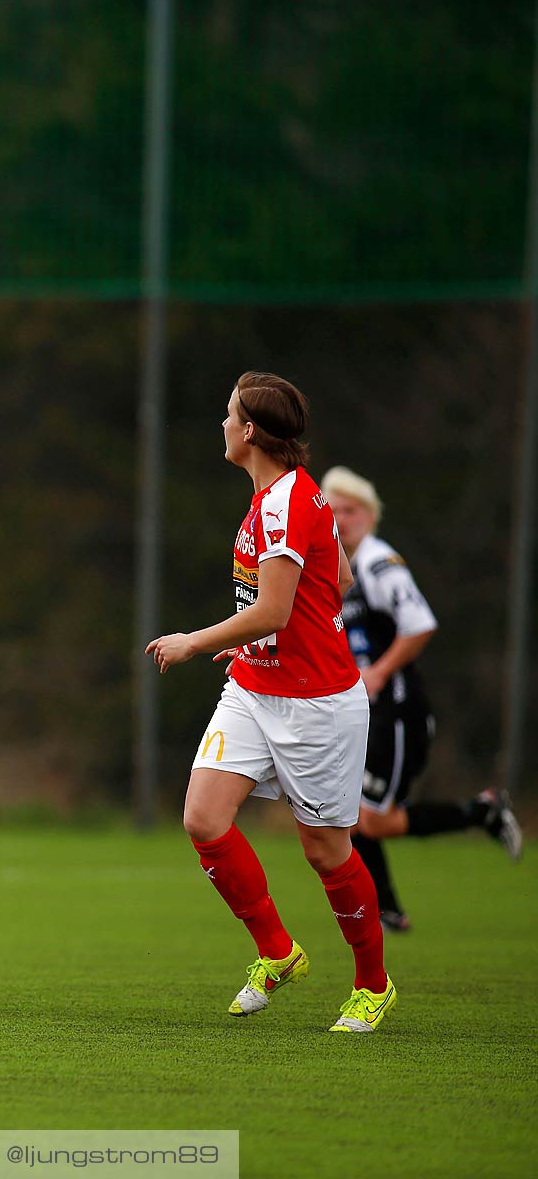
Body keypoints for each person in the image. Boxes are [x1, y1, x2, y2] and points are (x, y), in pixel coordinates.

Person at [146, 371, 396, 1033]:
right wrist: (265, 645)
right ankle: (278, 952)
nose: (222, 425)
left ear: (251, 430)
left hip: (318, 707)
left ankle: (373, 985)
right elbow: (333, 579)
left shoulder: (286, 504)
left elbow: (276, 607)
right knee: (204, 818)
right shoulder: (280, 497)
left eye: (229, 415)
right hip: (258, 690)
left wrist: (195, 641)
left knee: (326, 852)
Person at [321, 465, 522, 932]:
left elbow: (420, 624)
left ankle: (481, 812)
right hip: (371, 712)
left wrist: (378, 673)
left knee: (371, 821)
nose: (342, 519)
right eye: (333, 511)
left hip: (398, 711)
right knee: (353, 815)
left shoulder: (376, 561)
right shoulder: (339, 566)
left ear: (370, 516)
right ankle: (387, 908)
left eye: (351, 510)